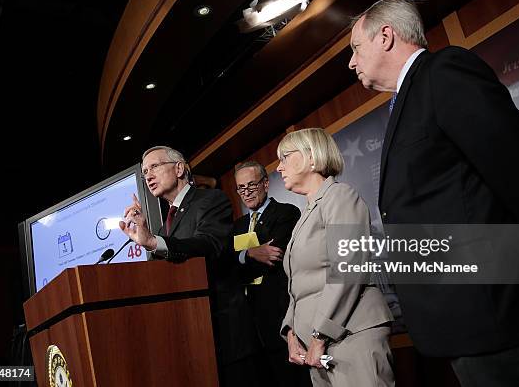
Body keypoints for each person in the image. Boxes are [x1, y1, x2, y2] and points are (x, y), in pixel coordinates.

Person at [348, 0, 519, 387]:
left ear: (385, 36)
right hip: (459, 320)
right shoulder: (406, 101)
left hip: (491, 311)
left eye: (355, 48)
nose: (352, 62)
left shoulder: (444, 71)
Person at [120, 146, 259, 387]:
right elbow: (162, 276)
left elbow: (209, 243)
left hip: (226, 336)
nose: (148, 176)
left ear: (179, 168)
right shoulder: (165, 227)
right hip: (192, 340)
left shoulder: (211, 199)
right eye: (144, 172)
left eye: (154, 167)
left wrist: (154, 242)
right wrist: (148, 238)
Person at [276, 128, 394, 387]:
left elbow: (348, 269)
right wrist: (292, 332)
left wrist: (319, 335)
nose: (278, 167)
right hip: (316, 344)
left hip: (350, 335)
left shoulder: (340, 197)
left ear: (311, 157)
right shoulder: (304, 215)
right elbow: (298, 284)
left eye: (284, 157)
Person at [233, 161, 311, 387]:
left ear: (265, 184)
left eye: (251, 185)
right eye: (241, 188)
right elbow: (226, 266)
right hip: (249, 323)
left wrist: (240, 258)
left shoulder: (286, 212)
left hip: (280, 315)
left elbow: (273, 254)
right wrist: (249, 254)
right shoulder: (237, 226)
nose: (246, 193)